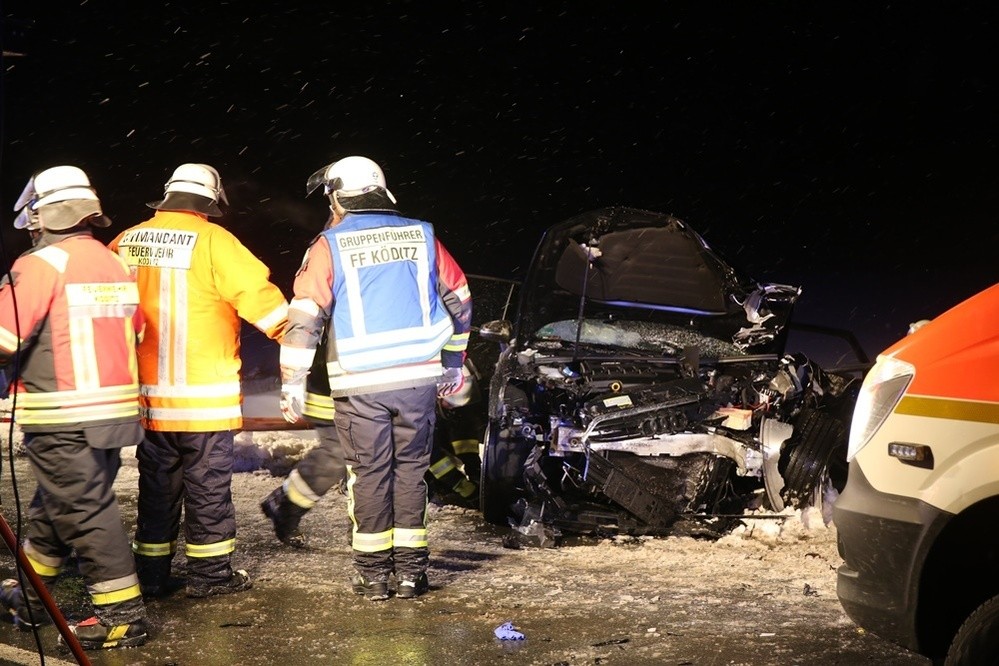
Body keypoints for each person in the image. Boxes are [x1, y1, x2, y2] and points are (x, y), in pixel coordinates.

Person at [279, 155, 472, 600]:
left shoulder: (329, 244)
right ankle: (411, 575)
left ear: (337, 198)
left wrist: (292, 379)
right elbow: (460, 300)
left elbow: (306, 315)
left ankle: (373, 576)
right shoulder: (422, 235)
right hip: (417, 381)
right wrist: (453, 362)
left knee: (369, 476)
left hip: (360, 384)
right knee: (411, 474)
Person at [107, 163, 289, 599]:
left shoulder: (126, 241)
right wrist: (301, 337)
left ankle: (151, 575)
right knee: (208, 491)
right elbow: (265, 305)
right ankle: (210, 577)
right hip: (203, 402)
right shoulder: (215, 242)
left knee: (157, 490)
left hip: (148, 402)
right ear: (209, 202)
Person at [0, 166, 150, 649]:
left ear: (43, 214)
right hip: (113, 413)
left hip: (61, 415)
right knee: (56, 506)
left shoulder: (41, 264)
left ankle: (123, 617)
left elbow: (5, 338)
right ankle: (29, 597)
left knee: (86, 511)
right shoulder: (113, 263)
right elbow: (137, 330)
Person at [260, 324, 347, 548]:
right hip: (332, 379)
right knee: (339, 452)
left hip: (360, 377)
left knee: (353, 454)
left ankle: (285, 503)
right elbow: (301, 323)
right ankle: (286, 504)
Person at [426, 360, 484, 509]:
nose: (454, 407)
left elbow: (464, 437)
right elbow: (432, 458)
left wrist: (475, 470)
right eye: (451, 402)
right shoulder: (420, 412)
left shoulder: (458, 394)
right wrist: (465, 488)